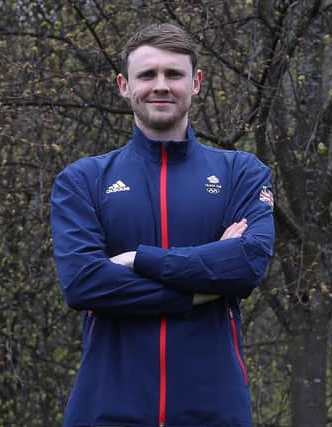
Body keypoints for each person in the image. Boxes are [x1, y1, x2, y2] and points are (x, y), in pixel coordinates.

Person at [50, 23, 275, 427]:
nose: (161, 85)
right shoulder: (82, 180)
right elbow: (84, 283)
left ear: (197, 83)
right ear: (124, 85)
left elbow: (247, 264)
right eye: (147, 75)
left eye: (173, 74)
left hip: (215, 413)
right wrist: (199, 291)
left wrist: (140, 259)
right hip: (106, 412)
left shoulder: (242, 173)